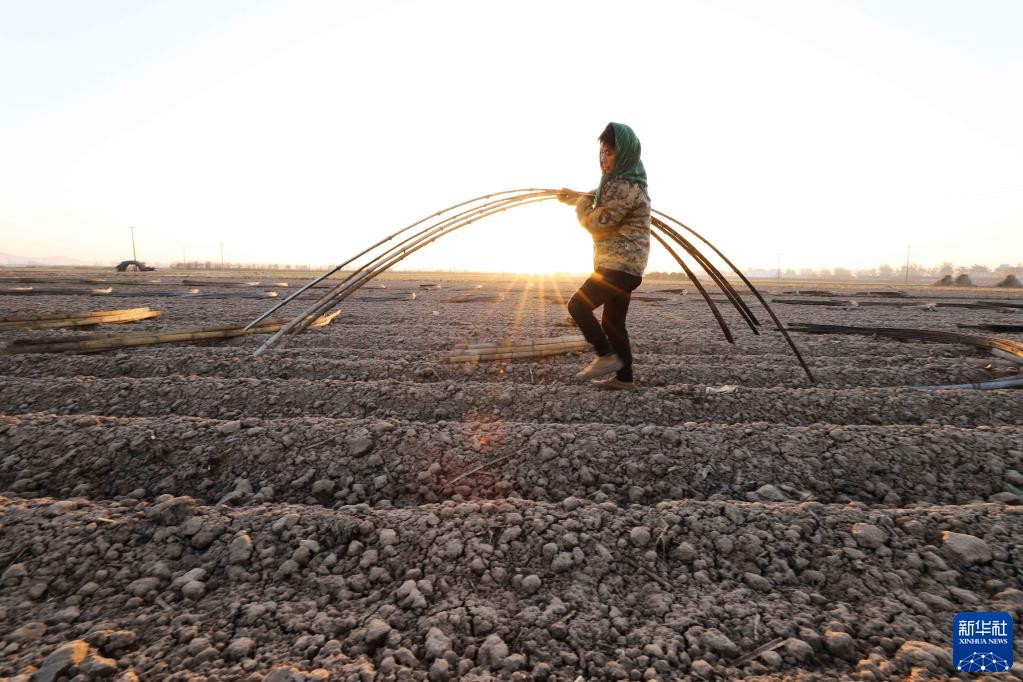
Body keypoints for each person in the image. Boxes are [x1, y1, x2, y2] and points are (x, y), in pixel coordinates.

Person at [557, 122, 651, 390]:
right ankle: (624, 379)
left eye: (609, 153)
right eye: (601, 152)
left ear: (625, 154)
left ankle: (605, 355)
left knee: (578, 305)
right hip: (627, 268)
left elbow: (599, 222)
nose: (603, 158)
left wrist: (580, 205)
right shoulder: (626, 184)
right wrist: (578, 197)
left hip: (618, 267)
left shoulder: (622, 186)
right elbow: (601, 200)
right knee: (613, 323)